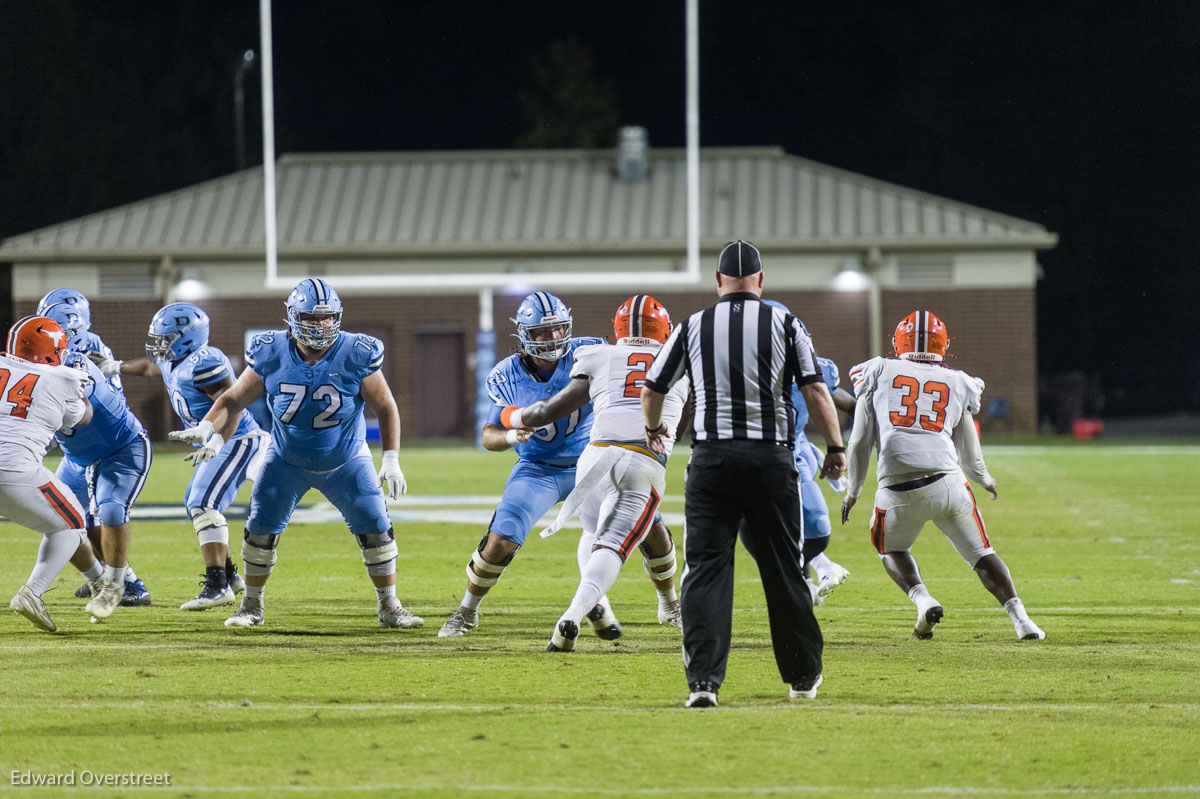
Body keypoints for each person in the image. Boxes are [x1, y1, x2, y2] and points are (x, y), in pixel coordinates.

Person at [641, 240, 846, 708]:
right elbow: (815, 389)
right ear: (760, 281)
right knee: (782, 568)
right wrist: (835, 447)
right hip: (770, 461)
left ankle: (704, 683)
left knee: (707, 571)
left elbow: (653, 387)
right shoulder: (785, 323)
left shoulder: (693, 325)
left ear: (717, 282)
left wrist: (654, 431)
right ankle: (801, 676)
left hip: (711, 461)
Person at [169, 278, 421, 630]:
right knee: (260, 530)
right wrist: (208, 427)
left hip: (346, 460)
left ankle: (389, 607)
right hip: (285, 459)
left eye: (327, 317)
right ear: (292, 316)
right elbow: (231, 399)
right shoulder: (270, 351)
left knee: (377, 529)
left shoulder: (357, 352)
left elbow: (386, 407)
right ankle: (251, 606)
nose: (321, 325)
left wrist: (391, 459)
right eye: (311, 318)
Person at [497, 295, 689, 651]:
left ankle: (614, 607)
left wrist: (511, 421)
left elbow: (544, 412)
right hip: (640, 462)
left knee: (593, 532)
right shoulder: (681, 360)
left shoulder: (599, 355)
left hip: (593, 458)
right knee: (612, 547)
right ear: (665, 329)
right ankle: (572, 614)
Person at [841, 310, 1045, 641]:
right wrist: (984, 478)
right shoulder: (959, 381)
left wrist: (853, 492)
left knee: (890, 549)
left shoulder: (878, 370)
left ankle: (924, 601)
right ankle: (1023, 621)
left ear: (899, 342)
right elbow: (969, 446)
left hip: (897, 490)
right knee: (983, 555)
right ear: (943, 345)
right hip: (948, 484)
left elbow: (860, 441)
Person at [439, 291, 626, 639]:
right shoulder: (506, 375)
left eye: (557, 329)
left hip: (592, 461)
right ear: (525, 335)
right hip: (539, 467)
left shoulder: (589, 352)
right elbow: (489, 434)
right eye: (542, 332)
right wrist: (511, 437)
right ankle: (467, 611)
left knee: (652, 528)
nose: (553, 338)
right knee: (499, 541)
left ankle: (669, 603)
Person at [96, 302, 257, 610]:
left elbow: (234, 404)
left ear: (187, 338)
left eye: (164, 338)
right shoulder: (176, 360)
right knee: (196, 503)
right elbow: (148, 367)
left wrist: (219, 441)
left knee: (202, 503)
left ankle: (218, 585)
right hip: (221, 441)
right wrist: (115, 366)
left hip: (238, 439)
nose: (158, 345)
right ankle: (229, 574)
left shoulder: (204, 362)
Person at [37, 288, 150, 606]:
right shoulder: (43, 362)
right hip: (77, 453)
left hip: (111, 446)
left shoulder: (77, 362)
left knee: (108, 511)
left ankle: (123, 583)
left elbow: (84, 413)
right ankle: (104, 579)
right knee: (63, 518)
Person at [3, 316, 115, 631]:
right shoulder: (62, 377)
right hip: (15, 471)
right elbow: (83, 418)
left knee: (64, 522)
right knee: (72, 525)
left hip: (14, 468)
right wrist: (82, 388)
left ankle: (99, 582)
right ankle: (32, 592)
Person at [755, 300, 853, 606]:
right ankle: (805, 579)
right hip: (743, 454)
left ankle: (808, 574)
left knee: (817, 527)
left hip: (792, 451)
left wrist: (876, 417)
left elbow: (834, 397)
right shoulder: (734, 364)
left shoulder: (814, 367)